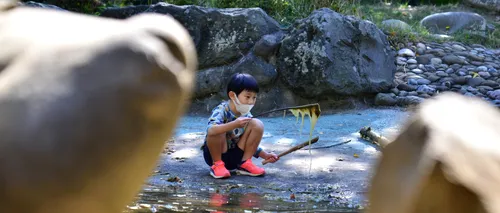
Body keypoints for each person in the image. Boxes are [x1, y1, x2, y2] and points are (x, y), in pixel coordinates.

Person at [202, 73, 279, 179]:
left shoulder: (247, 115)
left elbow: (248, 141)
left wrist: (264, 155)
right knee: (217, 129)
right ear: (233, 95)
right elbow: (210, 131)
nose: (251, 102)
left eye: (254, 98)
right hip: (215, 154)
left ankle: (245, 164)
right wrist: (233, 125)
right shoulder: (221, 110)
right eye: (247, 97)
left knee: (257, 124)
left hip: (236, 156)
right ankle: (217, 165)